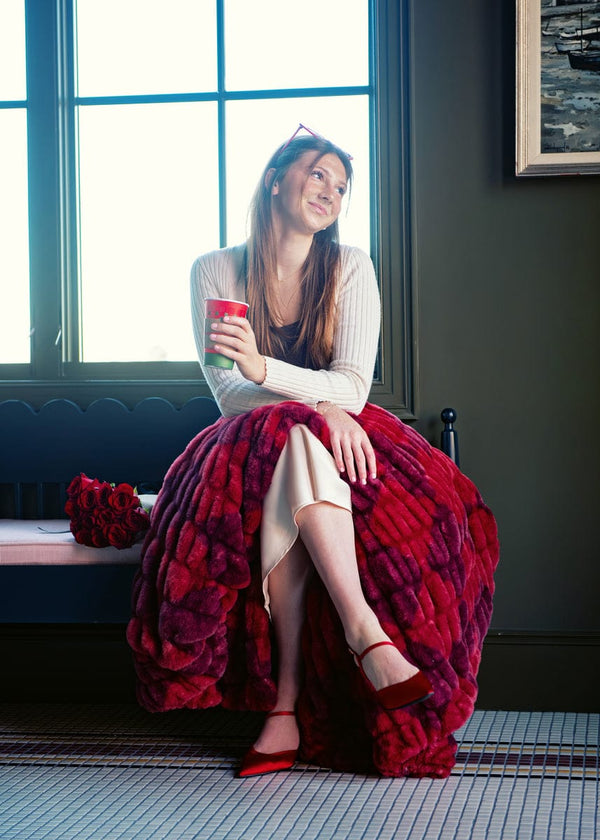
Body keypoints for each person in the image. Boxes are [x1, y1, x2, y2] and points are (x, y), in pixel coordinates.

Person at [189, 125, 433, 777]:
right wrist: (315, 404)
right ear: (277, 178)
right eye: (319, 174)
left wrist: (289, 383)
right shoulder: (216, 268)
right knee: (293, 437)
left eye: (341, 185)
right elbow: (228, 392)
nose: (331, 191)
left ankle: (284, 709)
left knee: (298, 448)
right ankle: (366, 635)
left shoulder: (351, 264)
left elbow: (353, 386)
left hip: (336, 439)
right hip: (244, 444)